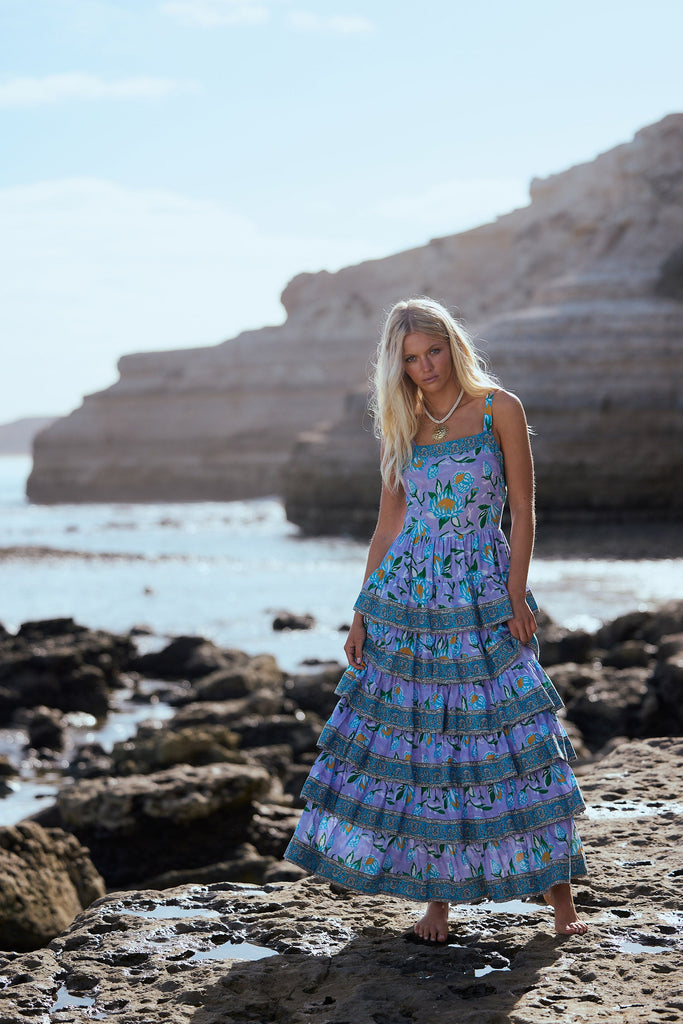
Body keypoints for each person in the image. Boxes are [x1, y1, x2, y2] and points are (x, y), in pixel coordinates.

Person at [284, 297, 588, 940]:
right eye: (410, 358)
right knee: (425, 748)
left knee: (515, 740)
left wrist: (515, 592)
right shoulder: (404, 422)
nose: (424, 367)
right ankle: (436, 902)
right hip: (409, 601)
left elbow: (524, 512)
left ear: (452, 344)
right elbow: (388, 526)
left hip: (482, 594)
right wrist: (362, 610)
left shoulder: (498, 409)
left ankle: (561, 898)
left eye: (433, 351)